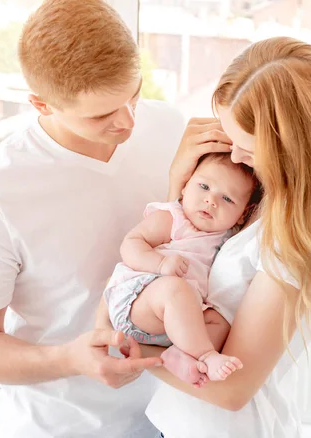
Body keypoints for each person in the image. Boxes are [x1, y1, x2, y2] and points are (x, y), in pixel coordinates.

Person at [0, 0, 231, 438]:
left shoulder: (169, 128)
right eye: (102, 115)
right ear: (41, 104)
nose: (130, 123)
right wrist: (71, 358)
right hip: (65, 427)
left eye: (134, 96)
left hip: (176, 416)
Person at [139, 36, 311, 438]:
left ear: (293, 148)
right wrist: (178, 184)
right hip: (180, 422)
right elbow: (188, 255)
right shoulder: (264, 201)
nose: (233, 158)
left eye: (247, 147)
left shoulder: (296, 239)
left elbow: (232, 389)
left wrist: (126, 351)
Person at [103, 153, 261, 386]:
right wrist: (159, 263)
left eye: (227, 199)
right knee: (174, 289)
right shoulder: (173, 218)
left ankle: (180, 354)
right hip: (138, 301)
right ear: (185, 187)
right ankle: (205, 355)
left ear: (243, 214)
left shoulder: (228, 239)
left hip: (180, 321)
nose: (211, 201)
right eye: (204, 186)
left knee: (221, 321)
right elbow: (131, 243)